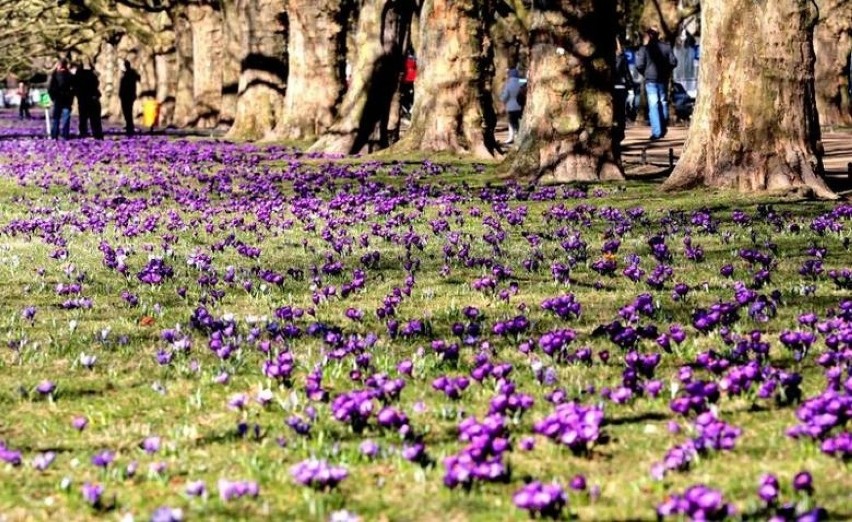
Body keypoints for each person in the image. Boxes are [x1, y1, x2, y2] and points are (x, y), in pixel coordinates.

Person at [635, 27, 677, 140]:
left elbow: (639, 65)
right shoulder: (667, 47)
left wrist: (645, 73)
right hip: (663, 79)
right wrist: (667, 71)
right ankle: (662, 129)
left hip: (651, 80)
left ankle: (657, 132)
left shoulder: (644, 49)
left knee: (654, 105)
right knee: (663, 103)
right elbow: (674, 62)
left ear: (649, 35)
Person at [74, 61, 104, 139]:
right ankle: (97, 135)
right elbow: (96, 83)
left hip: (83, 99)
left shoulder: (78, 75)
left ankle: (83, 133)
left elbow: (76, 88)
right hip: (93, 98)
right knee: (95, 119)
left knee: (83, 118)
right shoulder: (93, 75)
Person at [613, 39, 634, 144]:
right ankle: (620, 132)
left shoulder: (614, 58)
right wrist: (630, 85)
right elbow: (627, 73)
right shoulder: (622, 57)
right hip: (621, 86)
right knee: (620, 112)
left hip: (614, 87)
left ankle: (618, 133)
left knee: (616, 112)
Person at [47, 59, 74, 140]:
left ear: (58, 65)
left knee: (56, 118)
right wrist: (71, 96)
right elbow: (74, 88)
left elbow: (50, 88)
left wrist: (53, 97)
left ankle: (54, 135)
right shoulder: (69, 75)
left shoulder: (54, 75)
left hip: (58, 99)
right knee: (66, 118)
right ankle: (65, 135)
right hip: (67, 100)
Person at [500, 68, 525, 145]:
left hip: (510, 107)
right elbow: (526, 80)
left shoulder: (508, 84)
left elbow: (504, 97)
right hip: (521, 106)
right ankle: (519, 136)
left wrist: (502, 98)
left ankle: (511, 137)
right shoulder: (520, 82)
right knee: (519, 122)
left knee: (511, 122)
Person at [119, 59, 140, 136]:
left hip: (128, 95)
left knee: (128, 110)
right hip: (125, 95)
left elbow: (138, 78)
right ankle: (129, 124)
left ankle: (130, 125)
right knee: (126, 110)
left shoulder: (130, 73)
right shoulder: (126, 74)